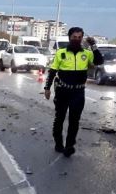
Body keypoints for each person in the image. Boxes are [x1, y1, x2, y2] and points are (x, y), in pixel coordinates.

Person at [43, 27, 104, 157]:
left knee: (74, 121)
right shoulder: (61, 53)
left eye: (79, 37)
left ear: (82, 38)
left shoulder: (86, 53)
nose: (76, 40)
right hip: (62, 91)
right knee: (59, 119)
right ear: (69, 38)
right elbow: (52, 71)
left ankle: (70, 145)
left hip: (78, 93)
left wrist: (93, 45)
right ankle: (59, 144)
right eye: (74, 37)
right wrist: (47, 88)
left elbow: (99, 61)